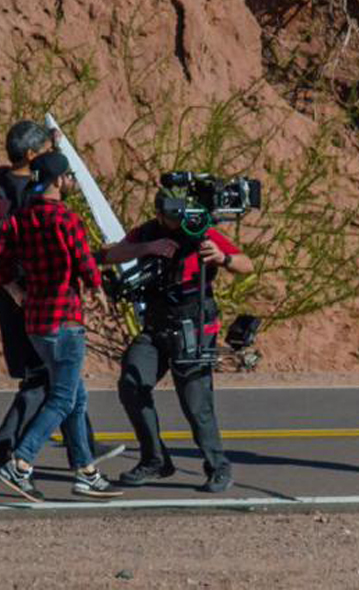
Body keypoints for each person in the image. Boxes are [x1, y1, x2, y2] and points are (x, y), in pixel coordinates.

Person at [0, 121, 123, 471]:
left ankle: (82, 447)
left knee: (55, 376)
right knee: (45, 374)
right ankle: (6, 448)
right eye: (43, 153)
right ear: (31, 157)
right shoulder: (33, 195)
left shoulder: (0, 178)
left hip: (12, 284)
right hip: (31, 290)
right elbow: (51, 227)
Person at [99, 185, 253, 493]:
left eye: (180, 214)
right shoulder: (146, 233)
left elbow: (246, 265)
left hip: (193, 324)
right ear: (158, 214)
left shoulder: (200, 229)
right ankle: (155, 460)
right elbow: (109, 254)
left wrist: (221, 258)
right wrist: (147, 249)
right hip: (156, 324)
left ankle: (217, 466)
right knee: (132, 383)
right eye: (170, 216)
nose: (177, 221)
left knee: (196, 402)